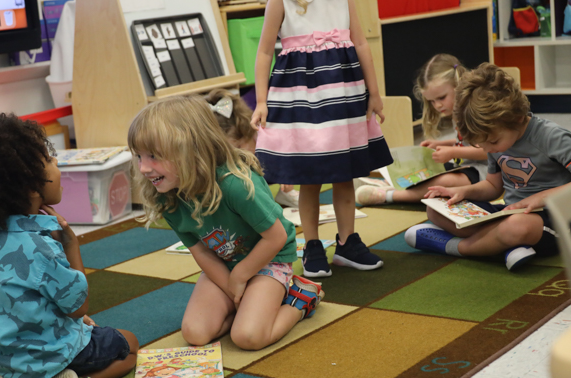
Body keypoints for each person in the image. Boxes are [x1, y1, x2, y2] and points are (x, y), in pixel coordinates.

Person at [0, 114, 138, 378]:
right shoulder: (39, 246)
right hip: (50, 358)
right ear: (32, 187)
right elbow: (78, 307)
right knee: (128, 346)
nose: (58, 165)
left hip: (4, 356)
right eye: (50, 159)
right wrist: (70, 245)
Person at [128, 95, 325, 351]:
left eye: (153, 156)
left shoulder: (235, 184)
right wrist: (232, 288)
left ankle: (300, 300)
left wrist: (241, 277)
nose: (143, 168)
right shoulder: (169, 197)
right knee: (195, 333)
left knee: (248, 337)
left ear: (189, 148)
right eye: (139, 157)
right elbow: (200, 251)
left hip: (268, 259)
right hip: (225, 265)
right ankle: (251, 309)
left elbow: (275, 238)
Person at [251, 0, 393, 278]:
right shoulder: (280, 2)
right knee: (310, 175)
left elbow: (361, 43)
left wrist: (374, 94)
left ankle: (347, 243)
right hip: (301, 96)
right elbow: (265, 51)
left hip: (343, 91)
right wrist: (260, 101)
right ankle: (312, 246)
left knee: (344, 173)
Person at [404, 63, 571, 271]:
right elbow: (493, 187)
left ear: (517, 118)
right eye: (481, 145)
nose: (487, 149)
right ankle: (504, 246)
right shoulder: (495, 140)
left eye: (492, 143)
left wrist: (539, 198)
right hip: (508, 213)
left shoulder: (551, 136)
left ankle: (456, 247)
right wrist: (460, 192)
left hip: (553, 220)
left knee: (516, 227)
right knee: (436, 209)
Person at [355, 54, 488, 207]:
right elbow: (467, 141)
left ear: (458, 86)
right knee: (426, 170)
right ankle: (390, 184)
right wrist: (442, 143)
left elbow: (488, 151)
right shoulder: (456, 110)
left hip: (486, 172)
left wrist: (453, 152)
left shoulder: (473, 111)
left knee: (443, 181)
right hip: (466, 166)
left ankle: (389, 194)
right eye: (432, 101)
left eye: (441, 98)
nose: (437, 105)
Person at [204, 88, 300, 207]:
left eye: (239, 146)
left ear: (248, 133)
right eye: (230, 151)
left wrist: (285, 175)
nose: (238, 154)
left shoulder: (264, 134)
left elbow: (287, 153)